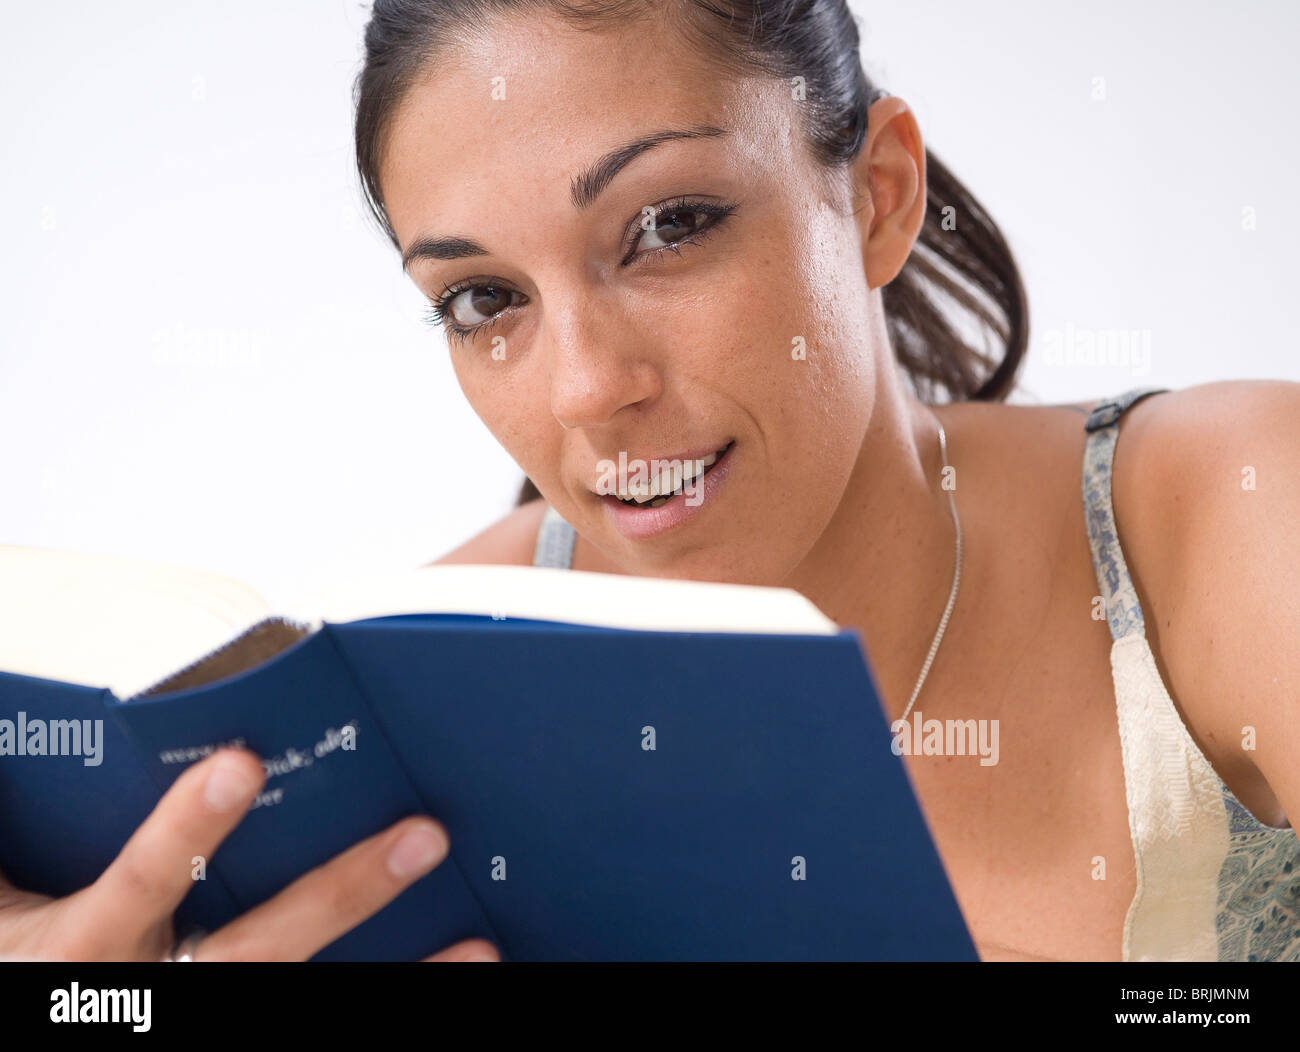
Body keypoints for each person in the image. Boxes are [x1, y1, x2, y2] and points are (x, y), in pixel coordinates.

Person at [4, 0, 1296, 964]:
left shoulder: (1230, 521)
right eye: (485, 299)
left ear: (878, 197)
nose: (584, 388)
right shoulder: (394, 707)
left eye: (669, 226)